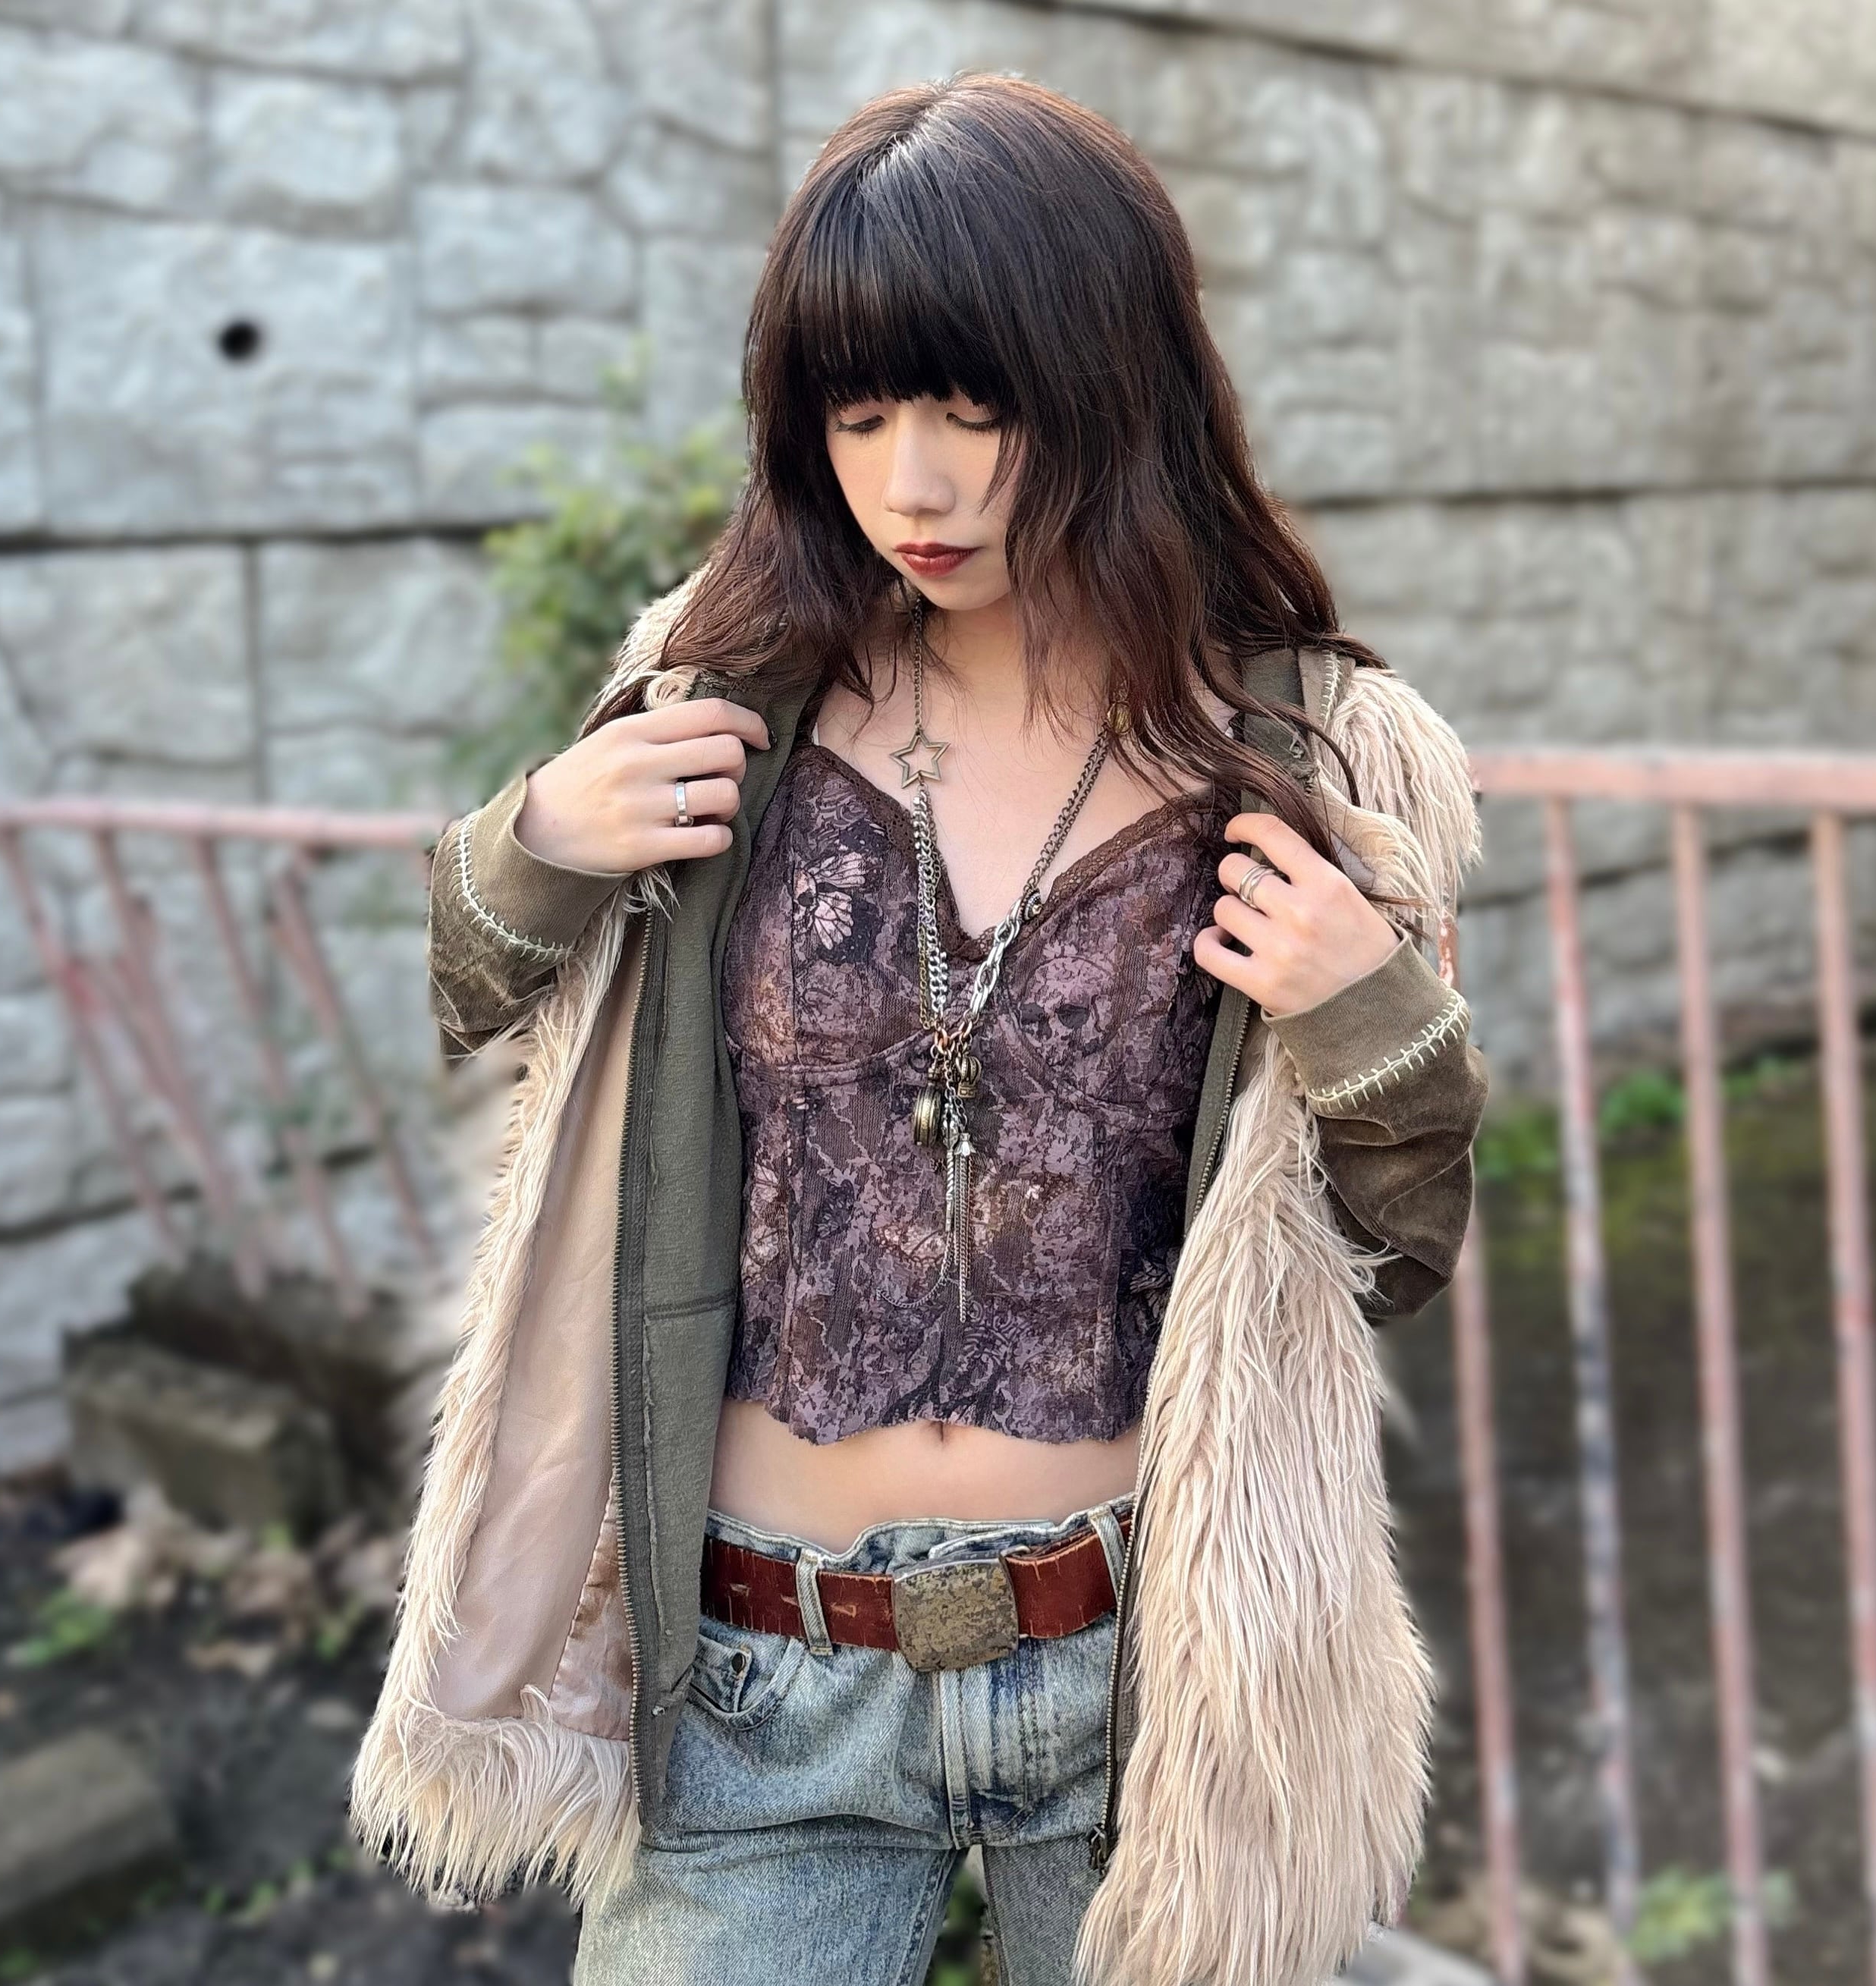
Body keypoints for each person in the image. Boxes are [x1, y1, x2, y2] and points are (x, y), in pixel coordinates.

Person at [354, 72, 1488, 1986]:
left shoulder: (1306, 749)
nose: (915, 485)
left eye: (975, 404)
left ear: (1112, 381)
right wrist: (535, 837)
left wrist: (1362, 1011)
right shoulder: (727, 694)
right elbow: (480, 996)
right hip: (762, 1687)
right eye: (859, 410)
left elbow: (1397, 1244)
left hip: (1143, 1690)